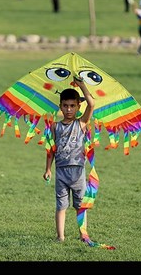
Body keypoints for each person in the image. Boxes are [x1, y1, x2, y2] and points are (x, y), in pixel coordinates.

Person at [42, 76, 95, 243]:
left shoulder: (81, 124)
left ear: (79, 107)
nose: (69, 109)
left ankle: (83, 236)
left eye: (73, 106)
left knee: (80, 206)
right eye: (65, 106)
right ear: (60, 107)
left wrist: (82, 86)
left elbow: (92, 104)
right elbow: (50, 150)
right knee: (61, 206)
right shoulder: (54, 126)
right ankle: (60, 237)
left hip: (78, 172)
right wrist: (48, 169)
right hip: (61, 173)